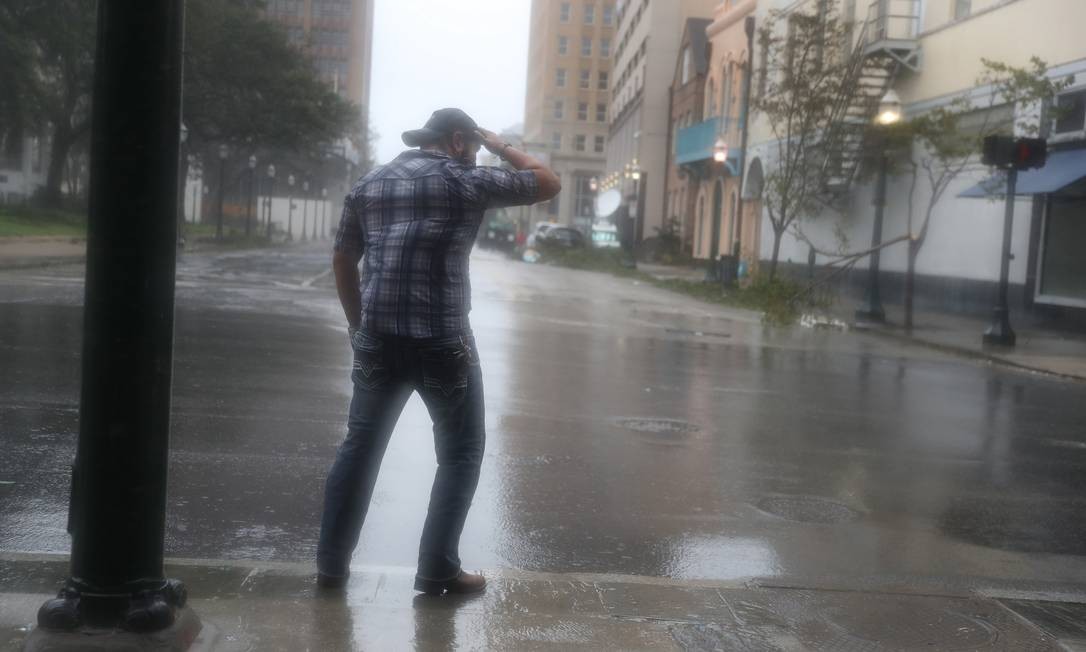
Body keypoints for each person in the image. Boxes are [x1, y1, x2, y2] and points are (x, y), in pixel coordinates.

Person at [317, 108, 561, 595]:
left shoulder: (371, 183)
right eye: (470, 146)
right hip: (442, 341)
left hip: (378, 341)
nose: (473, 155)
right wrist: (498, 145)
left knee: (360, 447)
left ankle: (330, 567)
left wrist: (357, 326)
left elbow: (344, 257)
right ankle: (437, 568)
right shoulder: (464, 180)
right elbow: (547, 181)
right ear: (456, 141)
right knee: (460, 453)